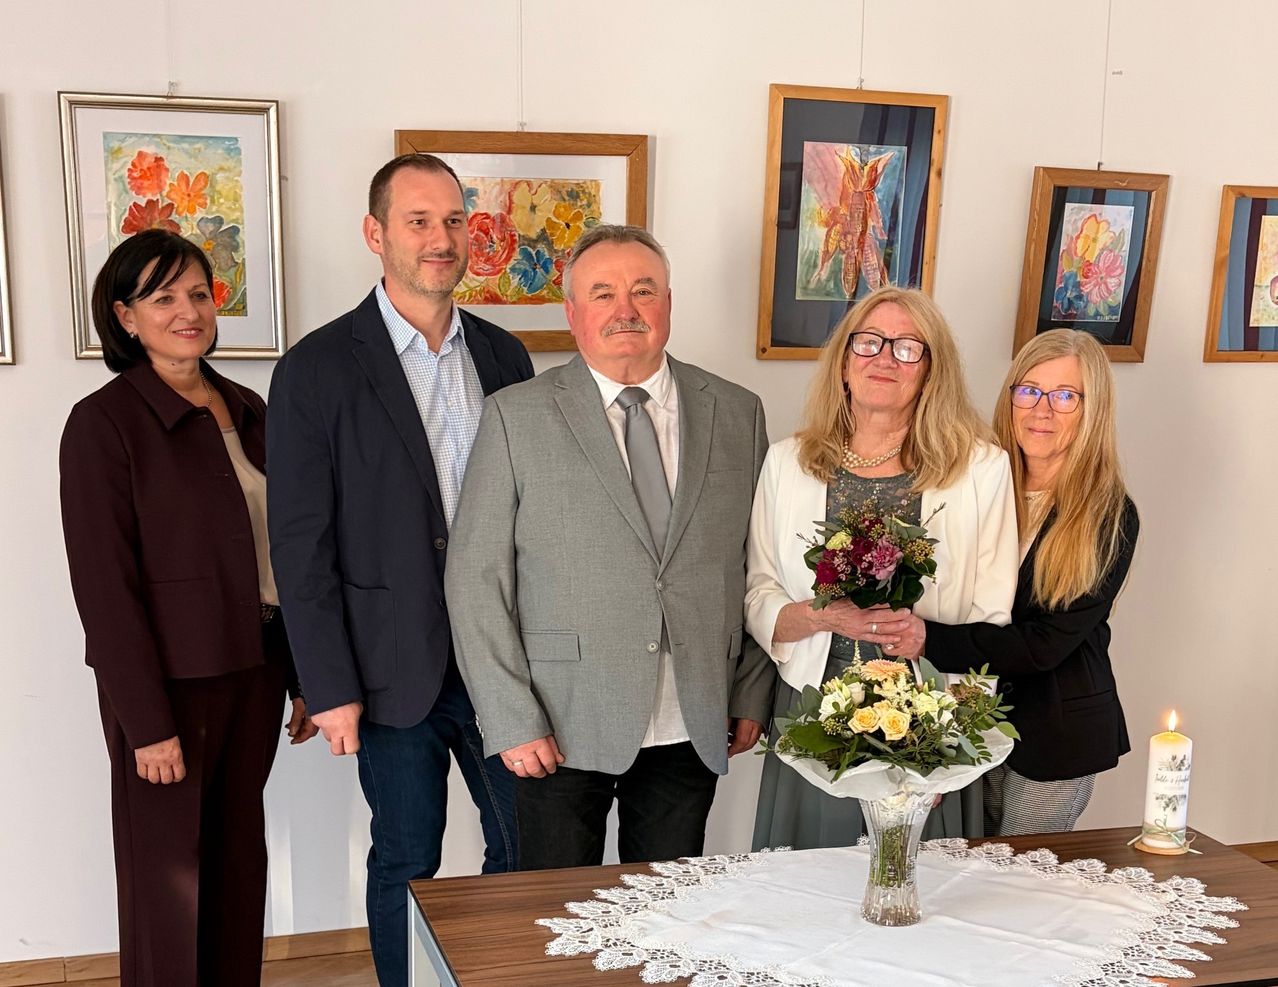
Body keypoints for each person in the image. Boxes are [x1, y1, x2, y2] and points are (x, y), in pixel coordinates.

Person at [266, 153, 533, 986]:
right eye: (419, 221)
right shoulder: (315, 369)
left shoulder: (504, 356)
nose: (440, 239)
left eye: (454, 220)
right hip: (387, 671)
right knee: (407, 856)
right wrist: (328, 682)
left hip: (500, 660)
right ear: (375, 233)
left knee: (528, 847)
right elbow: (299, 545)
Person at [446, 224, 775, 870]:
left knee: (666, 915)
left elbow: (762, 564)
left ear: (670, 304)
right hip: (559, 722)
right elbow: (474, 578)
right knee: (558, 919)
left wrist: (751, 690)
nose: (625, 310)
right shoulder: (516, 416)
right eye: (603, 294)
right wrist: (511, 716)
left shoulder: (738, 412)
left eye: (643, 290)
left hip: (695, 712)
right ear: (573, 313)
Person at [59, 230, 315, 987]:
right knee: (168, 880)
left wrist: (307, 676)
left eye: (199, 293)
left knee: (239, 860)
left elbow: (289, 554)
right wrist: (147, 724)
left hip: (257, 666)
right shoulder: (102, 424)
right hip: (169, 686)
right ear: (126, 317)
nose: (187, 310)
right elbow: (104, 588)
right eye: (163, 296)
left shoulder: (251, 408)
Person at [745, 285, 1019, 850]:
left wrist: (956, 747)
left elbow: (992, 611)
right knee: (809, 902)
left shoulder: (981, 468)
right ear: (844, 362)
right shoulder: (787, 463)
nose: (884, 359)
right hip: (815, 710)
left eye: (907, 348)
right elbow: (758, 592)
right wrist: (823, 617)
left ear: (931, 370)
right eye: (868, 343)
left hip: (930, 714)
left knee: (917, 897)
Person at [897, 329, 1138, 835]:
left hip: (1055, 733)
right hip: (968, 716)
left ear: (1093, 410)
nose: (1041, 411)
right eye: (1028, 391)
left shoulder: (1108, 514)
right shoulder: (975, 484)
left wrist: (927, 638)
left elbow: (1045, 644)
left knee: (1021, 885)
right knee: (962, 876)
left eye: (1065, 396)